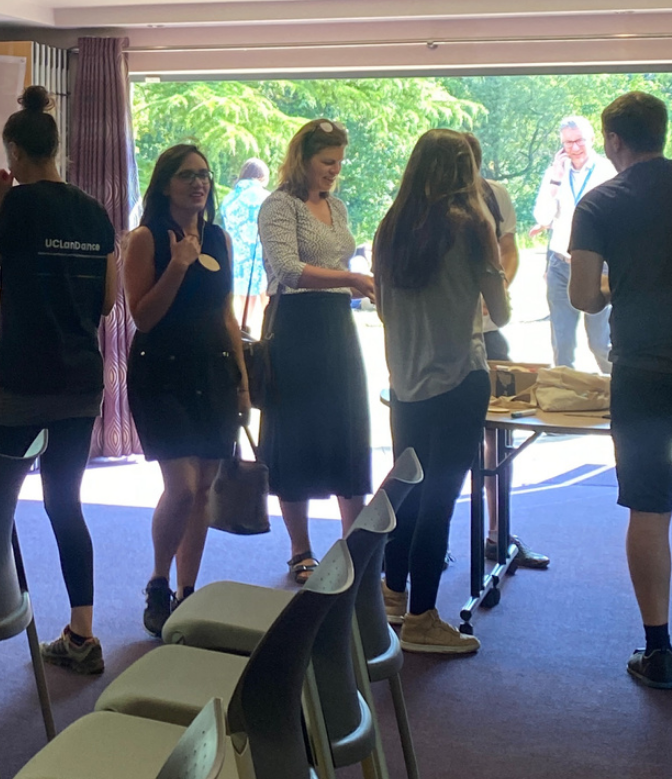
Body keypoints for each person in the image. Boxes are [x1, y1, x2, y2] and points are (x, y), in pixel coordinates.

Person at [0, 86, 117, 676]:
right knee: (64, 503)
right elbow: (107, 302)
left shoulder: (20, 206)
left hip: (23, 385)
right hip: (81, 384)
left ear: (14, 151)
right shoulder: (95, 211)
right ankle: (82, 634)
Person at [569, 92, 672, 690]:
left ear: (612, 142)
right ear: (663, 133)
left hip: (643, 373)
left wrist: (613, 287)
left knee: (649, 509)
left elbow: (582, 296)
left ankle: (658, 653)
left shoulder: (600, 201)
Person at [374, 129, 510, 655]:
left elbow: (384, 309)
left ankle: (392, 591)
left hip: (404, 382)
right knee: (442, 498)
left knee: (408, 487)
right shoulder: (474, 226)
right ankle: (424, 619)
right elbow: (499, 312)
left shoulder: (391, 227)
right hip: (459, 377)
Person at [125, 144, 247, 636]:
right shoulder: (145, 239)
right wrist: (177, 264)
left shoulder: (220, 237)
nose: (199, 183)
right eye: (186, 175)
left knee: (204, 491)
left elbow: (226, 314)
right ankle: (158, 583)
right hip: (162, 374)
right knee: (182, 487)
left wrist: (242, 381)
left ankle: (187, 592)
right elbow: (143, 316)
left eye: (205, 174)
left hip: (213, 374)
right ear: (165, 184)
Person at [257, 119, 374, 584]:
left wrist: (357, 283)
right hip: (296, 328)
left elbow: (340, 265)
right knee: (296, 434)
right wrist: (351, 278)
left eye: (340, 163)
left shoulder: (337, 207)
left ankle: (353, 546)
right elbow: (287, 270)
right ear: (302, 159)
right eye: (327, 162)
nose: (334, 171)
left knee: (347, 425)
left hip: (336, 324)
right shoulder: (278, 206)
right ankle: (300, 550)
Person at [463, 132, 549, 571]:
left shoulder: (495, 197)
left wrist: (494, 288)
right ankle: (431, 536)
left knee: (500, 435)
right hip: (446, 343)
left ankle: (499, 535)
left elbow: (509, 250)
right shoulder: (421, 208)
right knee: (445, 444)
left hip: (491, 332)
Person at [531, 115, 616, 371]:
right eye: (567, 143)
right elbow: (543, 218)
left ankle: (617, 393)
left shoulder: (608, 171)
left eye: (579, 141)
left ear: (592, 139)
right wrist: (555, 181)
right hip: (561, 264)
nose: (574, 148)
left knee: (601, 343)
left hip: (598, 265)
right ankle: (564, 397)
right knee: (562, 343)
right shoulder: (555, 174)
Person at [218, 157, 270, 332]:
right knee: (266, 308)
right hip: (261, 257)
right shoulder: (267, 198)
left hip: (235, 258)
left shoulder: (229, 199)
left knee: (237, 307)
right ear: (262, 177)